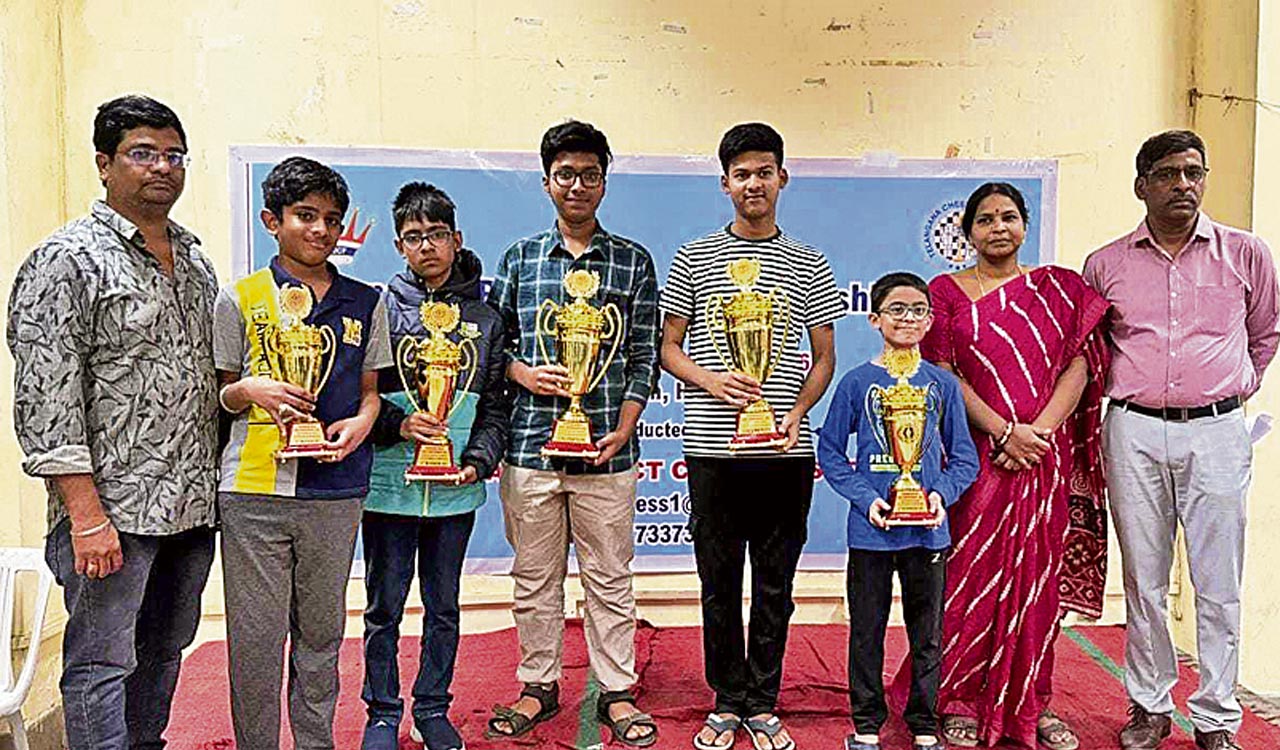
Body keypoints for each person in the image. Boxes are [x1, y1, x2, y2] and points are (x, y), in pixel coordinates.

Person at [8, 94, 218, 750]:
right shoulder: (67, 258)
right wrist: (85, 516)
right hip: (112, 515)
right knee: (102, 665)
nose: (162, 167)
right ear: (105, 163)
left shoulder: (196, 262)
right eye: (143, 153)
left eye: (174, 155)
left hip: (190, 510)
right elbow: (46, 398)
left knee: (164, 651)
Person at [1084, 131, 1279, 750]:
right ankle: (1149, 706)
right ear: (1141, 185)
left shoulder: (1246, 253)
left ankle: (1217, 716)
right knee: (1143, 578)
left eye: (1194, 172)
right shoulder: (1106, 264)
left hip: (1218, 430)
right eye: (1168, 174)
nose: (1183, 185)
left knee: (1218, 581)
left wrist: (1233, 388)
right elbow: (1095, 348)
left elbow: (1265, 333)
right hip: (1133, 428)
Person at [660, 122, 844, 750]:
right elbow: (669, 348)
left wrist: (798, 411)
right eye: (742, 174)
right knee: (718, 582)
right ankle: (726, 699)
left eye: (764, 171)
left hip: (784, 449)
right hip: (713, 448)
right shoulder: (693, 257)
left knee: (774, 583)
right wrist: (712, 381)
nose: (754, 183)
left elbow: (824, 357)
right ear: (725, 184)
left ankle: (763, 701)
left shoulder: (811, 262)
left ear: (782, 178)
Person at [913, 182, 1109, 750]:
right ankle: (959, 697)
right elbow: (942, 369)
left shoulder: (1060, 289)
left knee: (1037, 585)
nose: (998, 228)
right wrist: (1004, 431)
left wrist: (1037, 433)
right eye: (985, 220)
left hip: (1043, 457)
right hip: (978, 455)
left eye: (1008, 217)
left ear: (1024, 225)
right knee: (970, 574)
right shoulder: (945, 293)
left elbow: (1080, 366)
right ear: (967, 232)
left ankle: (1032, 702)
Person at [486, 120, 661, 746]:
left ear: (604, 182)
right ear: (546, 182)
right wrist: (523, 373)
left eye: (589, 175)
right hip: (531, 446)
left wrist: (625, 426)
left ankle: (616, 690)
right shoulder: (520, 258)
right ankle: (538, 683)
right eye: (566, 175)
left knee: (609, 578)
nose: (577, 185)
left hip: (609, 452)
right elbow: (494, 346)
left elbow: (644, 354)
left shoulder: (633, 261)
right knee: (534, 579)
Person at [214, 156, 392, 750]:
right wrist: (251, 390)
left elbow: (371, 394)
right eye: (305, 216)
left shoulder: (366, 301)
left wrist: (362, 425)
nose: (320, 230)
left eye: (332, 219)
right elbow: (221, 395)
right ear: (272, 220)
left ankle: (316, 743)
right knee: (256, 642)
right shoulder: (239, 298)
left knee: (320, 637)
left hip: (335, 492)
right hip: (254, 492)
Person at [359, 182, 509, 750]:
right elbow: (357, 397)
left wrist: (478, 459)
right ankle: (381, 713)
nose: (427, 246)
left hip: (454, 491)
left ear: (457, 239)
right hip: (388, 488)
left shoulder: (486, 319)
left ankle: (431, 708)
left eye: (438, 234)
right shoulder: (378, 310)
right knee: (383, 608)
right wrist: (398, 426)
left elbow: (495, 405)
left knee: (443, 606)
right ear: (399, 245)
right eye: (414, 236)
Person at [818, 272, 979, 750]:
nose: (908, 318)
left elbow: (964, 458)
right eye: (896, 309)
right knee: (866, 630)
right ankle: (866, 723)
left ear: (929, 321)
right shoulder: (856, 383)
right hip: (871, 532)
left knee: (927, 633)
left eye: (917, 310)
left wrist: (940, 495)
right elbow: (830, 451)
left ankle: (924, 723)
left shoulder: (942, 385)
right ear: (875, 319)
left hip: (927, 532)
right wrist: (866, 498)